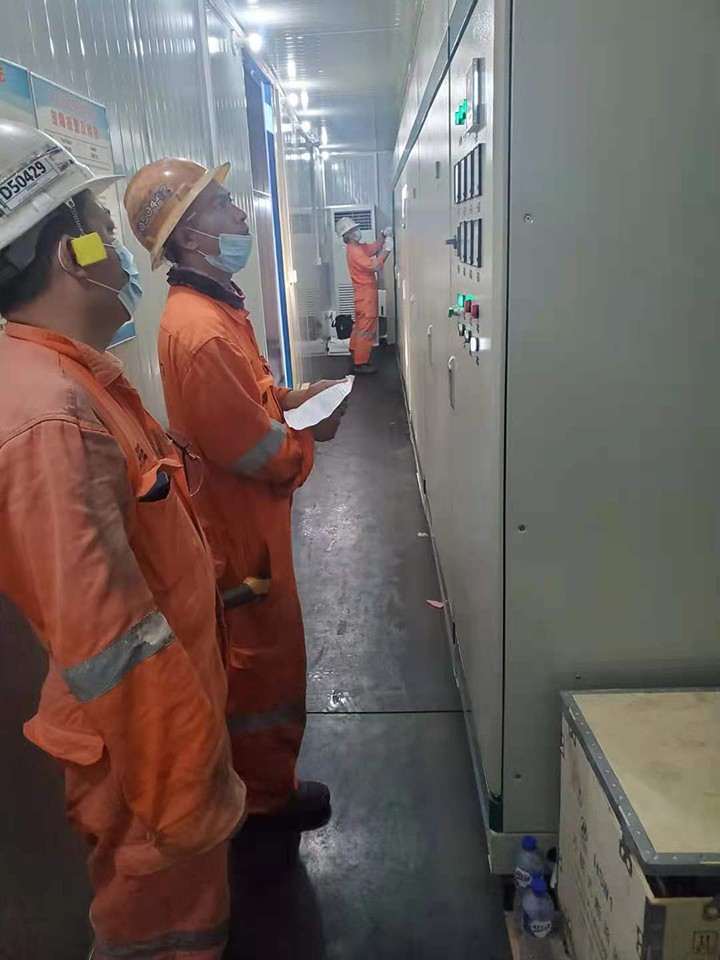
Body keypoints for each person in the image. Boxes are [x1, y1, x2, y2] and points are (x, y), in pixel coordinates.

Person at [0, 122, 245, 960]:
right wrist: (184, 793)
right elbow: (108, 642)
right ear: (72, 255)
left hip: (168, 730)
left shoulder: (73, 379)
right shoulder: (48, 416)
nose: (117, 249)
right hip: (145, 760)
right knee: (166, 933)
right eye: (100, 227)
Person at [124, 158, 345, 838]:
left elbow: (251, 400)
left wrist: (291, 400)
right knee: (260, 668)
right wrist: (308, 435)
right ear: (188, 236)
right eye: (221, 205)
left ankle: (265, 786)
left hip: (249, 520)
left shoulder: (219, 309)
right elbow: (255, 452)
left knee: (265, 659)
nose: (241, 214)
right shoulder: (201, 331)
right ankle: (261, 805)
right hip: (238, 529)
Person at [335, 216, 393, 375]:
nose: (358, 231)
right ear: (349, 234)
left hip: (362, 295)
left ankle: (355, 353)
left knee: (360, 327)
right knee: (366, 329)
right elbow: (374, 266)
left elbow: (372, 248)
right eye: (355, 229)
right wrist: (387, 250)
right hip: (366, 295)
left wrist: (382, 236)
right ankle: (360, 363)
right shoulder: (355, 251)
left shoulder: (356, 248)